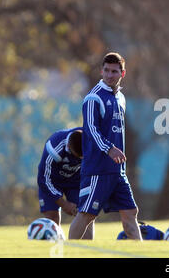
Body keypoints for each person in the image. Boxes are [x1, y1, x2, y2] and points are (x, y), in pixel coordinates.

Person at [68, 52, 142, 240]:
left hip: (117, 170)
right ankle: (68, 253)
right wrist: (109, 148)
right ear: (101, 71)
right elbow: (91, 129)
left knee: (130, 213)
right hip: (97, 170)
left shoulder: (121, 98)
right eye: (106, 70)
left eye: (114, 71)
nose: (110, 75)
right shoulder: (94, 98)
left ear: (122, 74)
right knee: (86, 214)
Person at [37, 127, 94, 238]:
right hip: (52, 181)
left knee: (86, 214)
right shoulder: (54, 149)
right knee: (52, 217)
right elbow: (43, 179)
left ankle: (86, 252)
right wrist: (64, 204)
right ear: (68, 147)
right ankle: (54, 251)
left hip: (75, 181)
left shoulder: (90, 137)